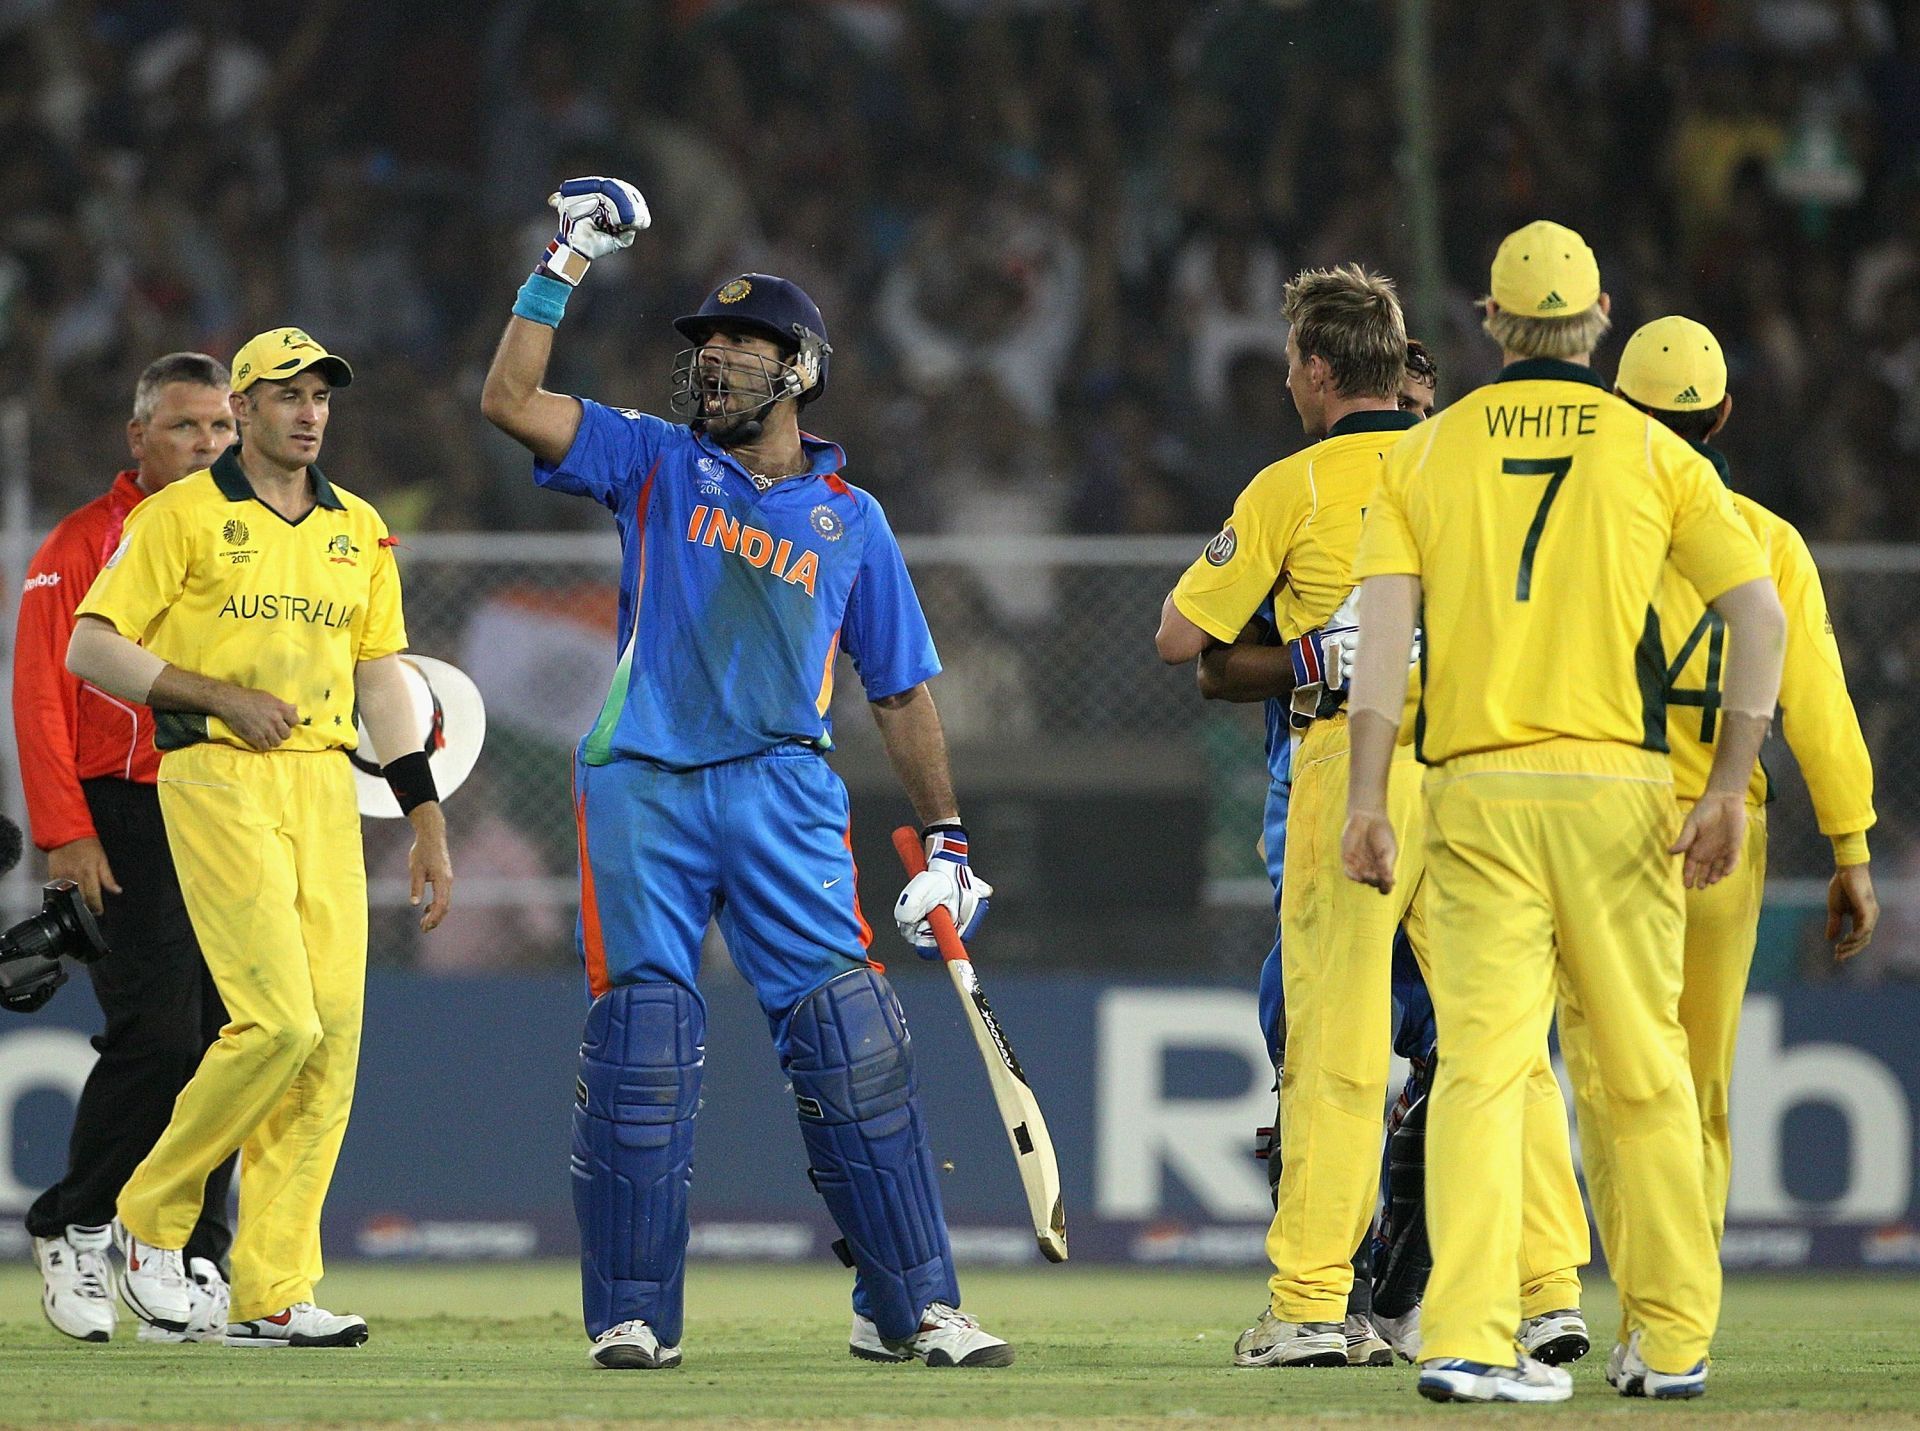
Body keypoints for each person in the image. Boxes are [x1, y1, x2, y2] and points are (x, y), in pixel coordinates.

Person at [479, 176, 1012, 1371]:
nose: (714, 361)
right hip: (646, 784)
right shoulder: (653, 460)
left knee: (852, 1046)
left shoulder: (852, 519)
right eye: (706, 343)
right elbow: (509, 398)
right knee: (644, 1048)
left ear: (801, 372)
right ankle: (630, 1316)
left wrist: (950, 839)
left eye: (744, 345)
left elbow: (901, 692)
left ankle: (914, 1307)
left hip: (786, 791)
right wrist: (561, 263)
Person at [1341, 220, 1785, 1404]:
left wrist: (1369, 798)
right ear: (1596, 322)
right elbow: (1764, 621)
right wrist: (1733, 783)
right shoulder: (1657, 455)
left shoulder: (1423, 457)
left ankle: (1474, 1339)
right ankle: (1673, 1344)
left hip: (1480, 788)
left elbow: (1384, 644)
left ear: (1491, 321)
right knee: (1646, 1071)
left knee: (1486, 1071)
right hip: (1621, 790)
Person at [65, 326, 453, 1349]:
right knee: (276, 1022)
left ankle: (273, 1288)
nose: (310, 410)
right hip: (215, 775)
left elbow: (381, 677)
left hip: (327, 783)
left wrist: (423, 813)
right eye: (287, 394)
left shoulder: (357, 528)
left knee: (330, 1039)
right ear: (242, 409)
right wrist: (216, 696)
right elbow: (91, 646)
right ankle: (149, 1218)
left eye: (322, 394)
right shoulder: (180, 515)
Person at [1563, 314, 1877, 1382]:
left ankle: (1651, 1316)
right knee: (1697, 1088)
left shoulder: (1593, 528)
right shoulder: (1770, 542)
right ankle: (1680, 1323)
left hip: (1610, 825)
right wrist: (1851, 846)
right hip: (1729, 833)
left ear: (1615, 410)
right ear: (1725, 416)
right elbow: (1819, 704)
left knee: (1613, 1084)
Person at [1196, 337, 1451, 1371]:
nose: (1412, 426)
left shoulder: (1450, 505)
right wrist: (1311, 658)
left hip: (1434, 804)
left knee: (1459, 1059)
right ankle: (1335, 1297)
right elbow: (1212, 664)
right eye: (1405, 402)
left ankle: (1405, 1290)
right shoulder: (1309, 517)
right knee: (1317, 1048)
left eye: (1426, 408)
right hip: (1322, 814)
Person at [14, 352, 239, 1344]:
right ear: (137, 438)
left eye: (222, 428)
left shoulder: (249, 535)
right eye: (187, 427)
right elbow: (39, 695)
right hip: (126, 811)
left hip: (231, 808)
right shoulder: (81, 542)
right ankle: (72, 1222)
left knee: (243, 1036)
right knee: (159, 1036)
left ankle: (192, 1255)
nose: (208, 445)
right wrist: (65, 829)